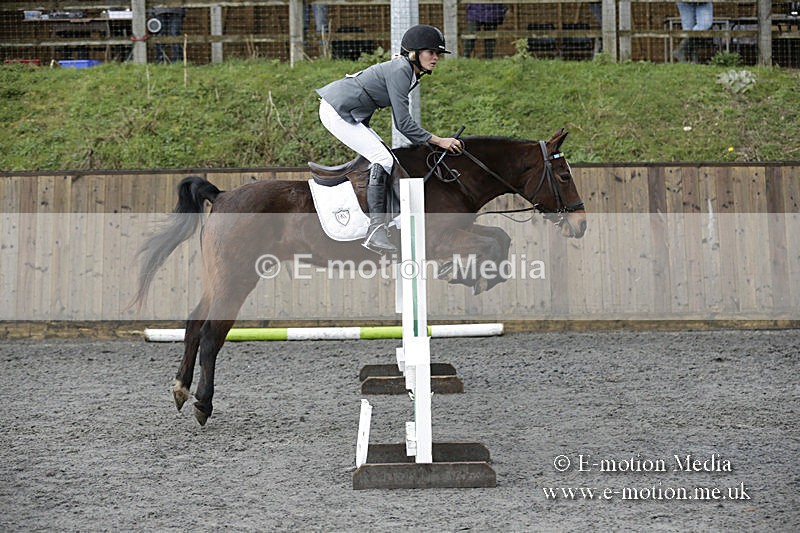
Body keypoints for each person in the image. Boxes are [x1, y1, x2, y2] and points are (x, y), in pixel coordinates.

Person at [316, 24, 463, 255]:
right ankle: (376, 229)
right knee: (383, 159)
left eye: (438, 54)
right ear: (414, 53)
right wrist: (438, 140)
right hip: (337, 110)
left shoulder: (408, 71)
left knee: (387, 158)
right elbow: (403, 124)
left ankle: (389, 221)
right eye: (430, 52)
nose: (436, 58)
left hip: (350, 113)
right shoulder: (401, 71)